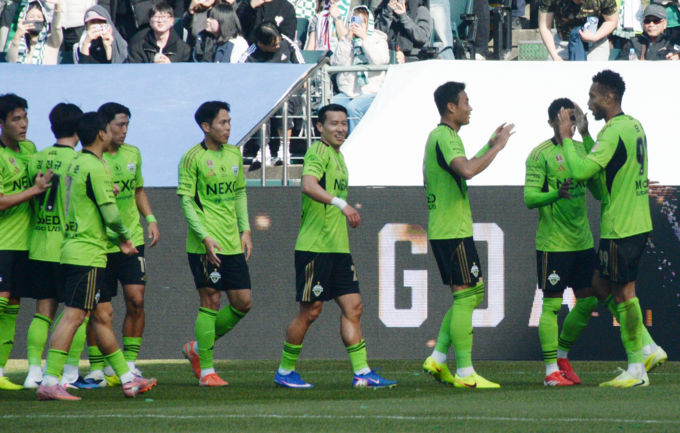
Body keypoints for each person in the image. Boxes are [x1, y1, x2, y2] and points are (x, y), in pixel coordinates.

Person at [273, 104, 396, 389]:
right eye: (334, 124)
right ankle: (285, 371)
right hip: (315, 247)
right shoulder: (318, 151)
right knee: (310, 311)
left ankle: (362, 372)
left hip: (338, 248)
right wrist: (342, 204)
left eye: (344, 123)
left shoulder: (339, 157)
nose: (341, 128)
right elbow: (308, 185)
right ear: (320, 127)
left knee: (354, 307)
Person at [36, 112, 157, 401]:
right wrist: (124, 237)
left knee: (101, 316)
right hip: (87, 253)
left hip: (74, 247)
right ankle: (50, 380)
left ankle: (127, 378)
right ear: (102, 134)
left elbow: (84, 201)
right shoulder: (95, 166)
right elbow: (110, 214)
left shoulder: (75, 162)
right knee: (74, 316)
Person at [557, 70, 665, 387]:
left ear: (609, 97)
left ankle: (637, 368)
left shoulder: (613, 132)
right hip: (636, 221)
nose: (589, 102)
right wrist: (586, 133)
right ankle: (648, 348)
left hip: (621, 225)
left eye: (593, 96)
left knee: (624, 295)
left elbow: (582, 171)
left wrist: (567, 138)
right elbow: (605, 165)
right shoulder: (633, 125)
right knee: (598, 284)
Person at [421, 82, 514, 389]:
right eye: (465, 101)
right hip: (451, 230)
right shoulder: (444, 136)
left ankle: (438, 357)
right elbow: (467, 170)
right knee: (465, 295)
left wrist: (488, 145)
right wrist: (497, 148)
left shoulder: (445, 137)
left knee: (472, 293)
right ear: (451, 107)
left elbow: (463, 166)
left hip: (451, 228)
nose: (469, 107)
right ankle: (465, 372)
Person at [524, 98, 603, 386]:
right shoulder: (540, 155)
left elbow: (598, 190)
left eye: (572, 117)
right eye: (562, 119)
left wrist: (586, 133)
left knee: (588, 301)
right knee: (552, 306)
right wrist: (556, 195)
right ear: (551, 123)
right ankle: (550, 372)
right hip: (553, 243)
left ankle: (562, 357)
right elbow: (530, 198)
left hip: (582, 242)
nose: (568, 123)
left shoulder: (582, 150)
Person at [81, 102, 160, 386]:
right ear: (104, 128)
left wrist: (150, 218)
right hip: (103, 243)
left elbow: (138, 190)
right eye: (119, 125)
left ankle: (130, 363)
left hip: (132, 240)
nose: (124, 130)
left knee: (136, 300)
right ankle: (97, 368)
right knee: (98, 308)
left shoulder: (133, 154)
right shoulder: (92, 160)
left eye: (127, 125)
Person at [178, 101, 253, 387]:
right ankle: (207, 371)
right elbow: (187, 201)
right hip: (205, 244)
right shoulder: (192, 158)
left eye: (229, 122)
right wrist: (204, 236)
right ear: (206, 126)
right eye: (223, 122)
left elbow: (239, 193)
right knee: (210, 299)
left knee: (243, 302)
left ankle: (197, 348)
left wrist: (245, 230)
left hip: (232, 241)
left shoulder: (234, 154)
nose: (228, 127)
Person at [22, 103, 92, 390]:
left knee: (43, 312)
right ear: (78, 129)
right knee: (76, 314)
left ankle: (33, 373)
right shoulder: (79, 162)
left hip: (39, 244)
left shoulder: (35, 158)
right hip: (67, 249)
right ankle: (68, 374)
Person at [0, 93, 52, 391]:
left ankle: (0, 371)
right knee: (1, 301)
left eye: (25, 117)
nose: (23, 124)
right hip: (3, 242)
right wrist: (34, 190)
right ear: (1, 123)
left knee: (13, 305)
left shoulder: (30, 149)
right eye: (16, 119)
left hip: (25, 243)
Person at [239, 21, 304, 170]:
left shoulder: (286, 43)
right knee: (260, 106)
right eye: (274, 44)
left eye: (278, 42)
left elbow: (303, 69)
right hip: (262, 94)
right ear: (261, 44)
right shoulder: (251, 53)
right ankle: (263, 149)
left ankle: (284, 149)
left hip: (287, 93)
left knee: (284, 104)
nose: (278, 46)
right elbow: (239, 76)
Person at [330, 6, 388, 134]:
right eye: (354, 21)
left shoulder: (378, 39)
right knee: (329, 107)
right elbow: (336, 63)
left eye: (362, 22)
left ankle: (353, 143)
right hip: (347, 92)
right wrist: (347, 40)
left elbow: (380, 61)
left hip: (371, 92)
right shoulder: (346, 40)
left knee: (354, 108)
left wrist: (365, 39)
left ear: (368, 24)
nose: (358, 25)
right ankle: (334, 143)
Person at [538, 0, 618, 61]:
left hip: (596, 43)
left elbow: (612, 21)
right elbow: (545, 26)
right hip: (563, 42)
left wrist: (595, 37)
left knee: (596, 74)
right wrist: (555, 56)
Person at [6, 0, 63, 64]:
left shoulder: (51, 41)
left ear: (44, 21)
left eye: (39, 17)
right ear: (24, 19)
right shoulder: (16, 41)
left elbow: (56, 28)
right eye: (31, 17)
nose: (35, 19)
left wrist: (57, 7)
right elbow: (11, 61)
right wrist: (17, 36)